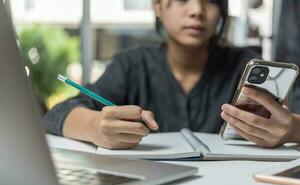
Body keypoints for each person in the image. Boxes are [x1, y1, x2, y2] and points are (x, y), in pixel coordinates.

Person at [43, 0, 299, 149]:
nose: (197, 10)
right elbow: (56, 115)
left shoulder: (244, 66)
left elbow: (292, 119)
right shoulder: (132, 65)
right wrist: (94, 127)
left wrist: (290, 130)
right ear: (157, 6)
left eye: (210, 0)